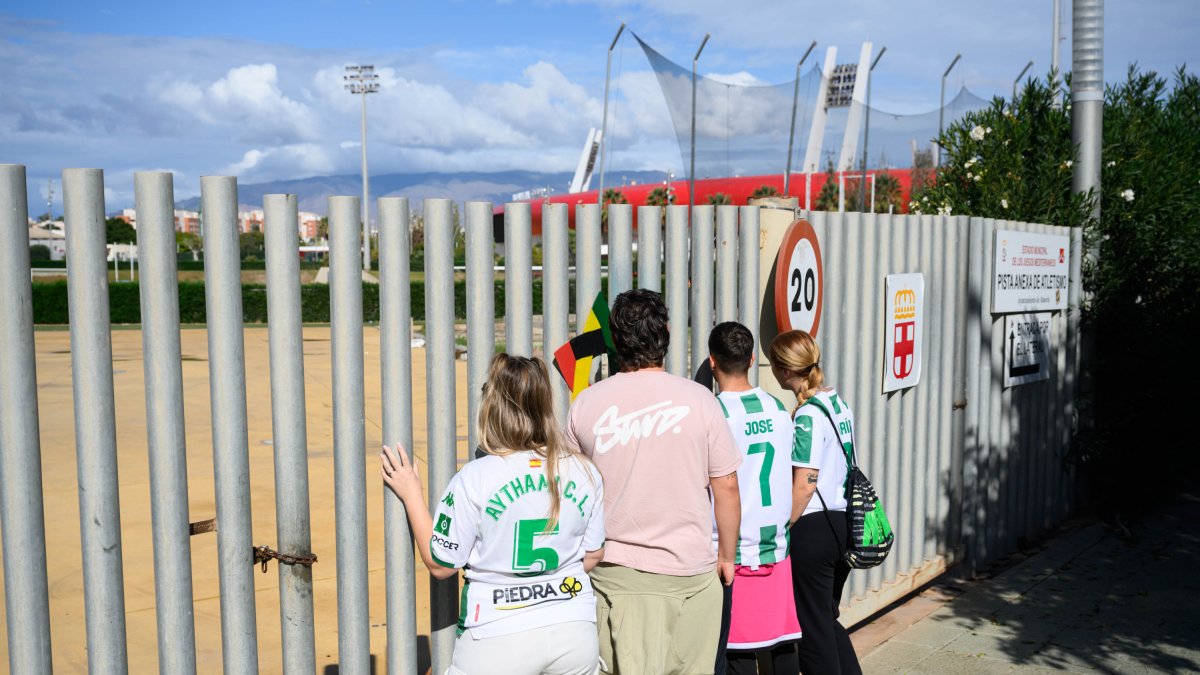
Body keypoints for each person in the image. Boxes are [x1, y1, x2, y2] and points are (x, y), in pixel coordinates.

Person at [381, 353, 606, 675]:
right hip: (574, 628)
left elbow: (442, 564)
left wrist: (411, 494)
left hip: (496, 633)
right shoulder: (586, 471)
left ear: (492, 409)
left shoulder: (475, 476)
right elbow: (593, 554)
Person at [565, 288, 742, 675]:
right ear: (666, 333)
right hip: (691, 574)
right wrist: (727, 557)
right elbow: (726, 484)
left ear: (615, 339)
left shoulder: (586, 403)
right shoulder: (701, 400)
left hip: (614, 575)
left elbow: (569, 492)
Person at [708, 322, 802, 675]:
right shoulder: (778, 408)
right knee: (782, 644)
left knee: (737, 651)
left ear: (712, 361)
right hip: (775, 546)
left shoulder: (714, 413)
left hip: (731, 551)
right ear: (751, 360)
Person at [768, 330, 862, 675]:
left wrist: (782, 526)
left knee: (812, 631)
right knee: (825, 618)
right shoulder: (837, 403)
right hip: (842, 523)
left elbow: (806, 483)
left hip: (814, 528)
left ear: (784, 370)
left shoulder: (808, 414)